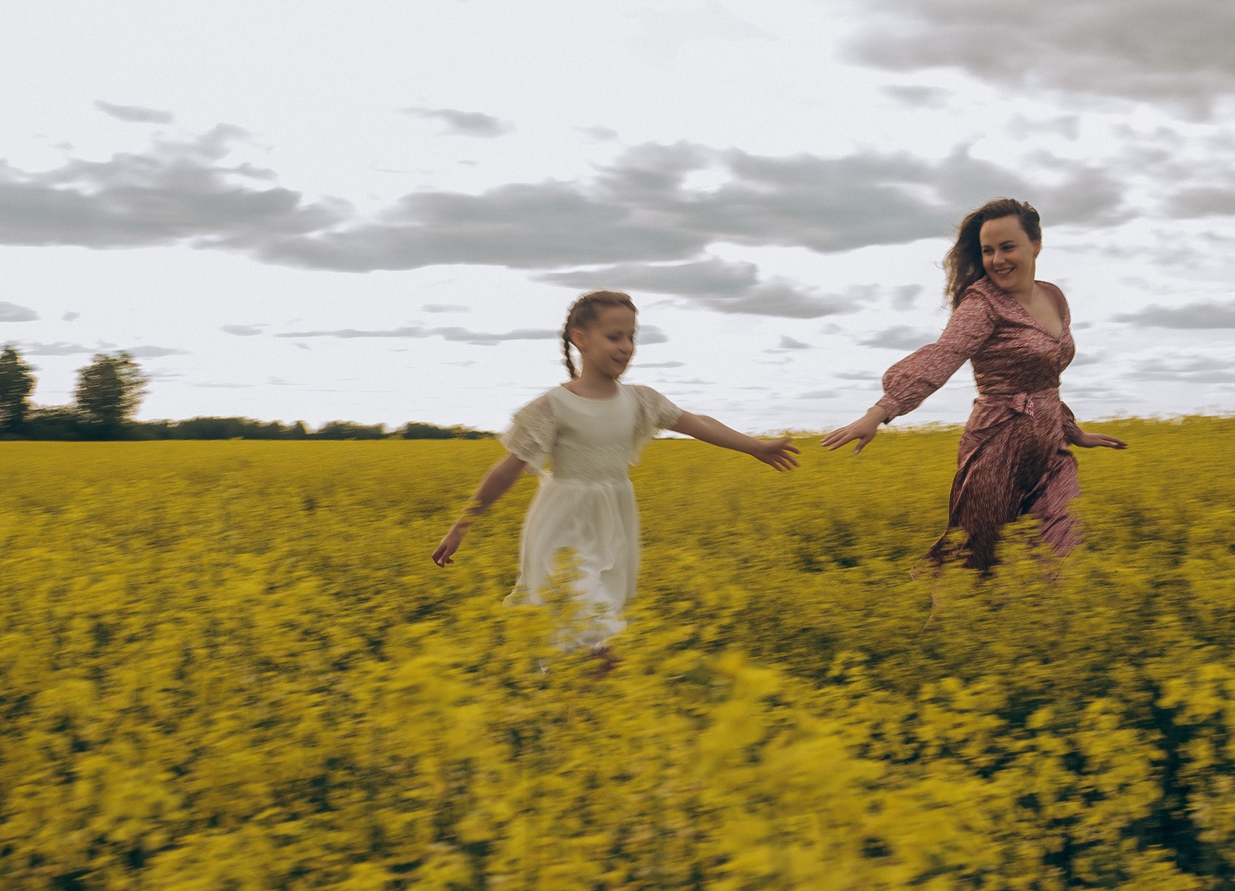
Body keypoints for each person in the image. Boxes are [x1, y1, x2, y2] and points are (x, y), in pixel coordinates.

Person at [432, 289, 799, 663]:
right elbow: (507, 469)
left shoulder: (641, 400)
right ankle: (567, 700)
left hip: (614, 523)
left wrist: (754, 446)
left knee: (592, 635)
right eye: (614, 337)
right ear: (580, 339)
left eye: (631, 337)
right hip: (564, 524)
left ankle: (567, 706)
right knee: (587, 632)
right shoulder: (552, 407)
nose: (626, 347)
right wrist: (461, 526)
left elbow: (697, 424)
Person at [823, 196, 1127, 573]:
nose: (997, 259)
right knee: (976, 568)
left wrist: (1072, 432)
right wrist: (880, 411)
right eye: (988, 251)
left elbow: (1045, 382)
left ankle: (1042, 627)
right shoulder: (981, 304)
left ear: (1036, 245)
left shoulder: (1054, 297)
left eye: (1007, 247)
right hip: (996, 449)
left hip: (1050, 451)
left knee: (1059, 560)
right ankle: (944, 625)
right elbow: (945, 354)